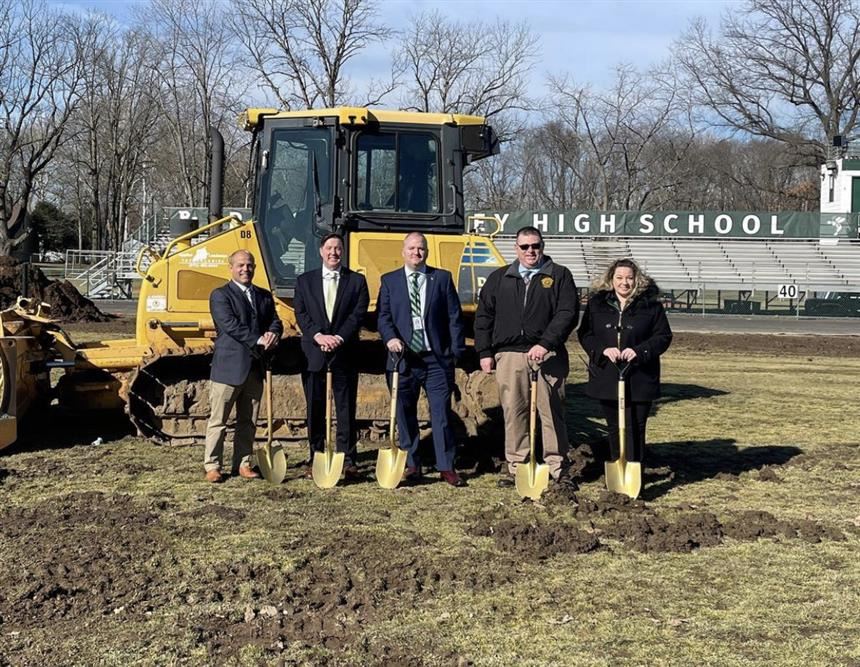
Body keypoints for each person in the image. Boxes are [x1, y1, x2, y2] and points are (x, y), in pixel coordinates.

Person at [474, 225, 579, 485]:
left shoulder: (559, 276)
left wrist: (545, 343)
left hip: (547, 355)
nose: (531, 251)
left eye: (536, 246)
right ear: (516, 249)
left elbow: (567, 313)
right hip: (509, 355)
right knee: (514, 412)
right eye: (525, 247)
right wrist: (484, 352)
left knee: (551, 412)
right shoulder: (499, 278)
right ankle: (516, 465)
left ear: (542, 247)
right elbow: (484, 316)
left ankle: (558, 467)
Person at [377, 231, 466, 487]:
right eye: (412, 248)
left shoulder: (441, 278)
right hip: (404, 360)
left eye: (422, 249)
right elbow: (383, 317)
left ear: (427, 251)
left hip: (436, 360)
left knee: (440, 414)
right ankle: (412, 464)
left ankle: (446, 467)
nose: (417, 253)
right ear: (403, 252)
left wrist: (454, 353)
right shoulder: (390, 281)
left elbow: (454, 318)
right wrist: (390, 338)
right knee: (405, 414)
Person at [577, 258, 672, 466]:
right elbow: (585, 334)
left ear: (637, 280)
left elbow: (663, 336)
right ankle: (617, 465)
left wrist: (639, 351)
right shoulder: (597, 303)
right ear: (611, 279)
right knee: (614, 425)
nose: (624, 283)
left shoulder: (651, 306)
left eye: (629, 278)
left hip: (640, 375)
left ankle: (635, 468)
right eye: (619, 278)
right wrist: (602, 350)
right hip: (607, 374)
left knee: (636, 426)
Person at [294, 233, 370, 480]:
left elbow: (357, 315)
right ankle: (316, 455)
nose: (333, 253)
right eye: (329, 248)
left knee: (345, 407)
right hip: (313, 353)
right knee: (314, 407)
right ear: (321, 251)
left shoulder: (357, 281)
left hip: (344, 352)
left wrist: (338, 338)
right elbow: (301, 313)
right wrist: (317, 336)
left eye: (338, 248)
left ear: (343, 252)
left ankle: (347, 458)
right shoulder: (305, 281)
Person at [204, 249, 283, 483]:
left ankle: (243, 462)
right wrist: (258, 339)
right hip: (228, 368)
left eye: (249, 265)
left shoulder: (263, 296)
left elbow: (275, 321)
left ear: (254, 267)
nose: (245, 269)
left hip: (255, 368)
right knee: (219, 421)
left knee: (248, 421)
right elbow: (229, 324)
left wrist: (273, 333)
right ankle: (212, 466)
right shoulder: (220, 296)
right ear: (231, 268)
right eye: (240, 265)